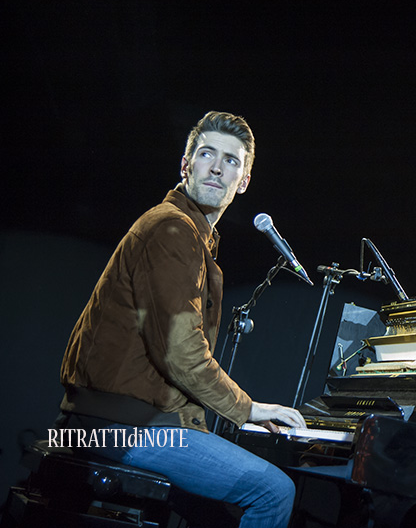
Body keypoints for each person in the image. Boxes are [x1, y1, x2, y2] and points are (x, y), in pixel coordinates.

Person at [57, 111, 306, 528]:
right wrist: (248, 409)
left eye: (231, 160)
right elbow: (180, 352)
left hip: (113, 420)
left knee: (219, 515)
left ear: (243, 181)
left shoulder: (189, 233)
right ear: (185, 165)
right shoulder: (173, 231)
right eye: (207, 153)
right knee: (274, 491)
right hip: (117, 425)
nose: (216, 167)